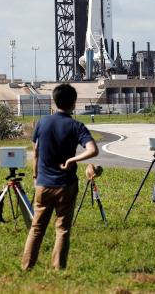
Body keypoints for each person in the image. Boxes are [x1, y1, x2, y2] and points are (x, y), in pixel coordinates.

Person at [21, 83, 98, 271]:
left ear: (54, 101)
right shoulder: (76, 126)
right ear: (73, 103)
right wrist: (73, 159)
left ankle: (27, 267)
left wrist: (35, 176)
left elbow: (36, 152)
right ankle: (58, 269)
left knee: (37, 228)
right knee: (62, 229)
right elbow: (92, 150)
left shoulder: (41, 123)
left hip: (43, 184)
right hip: (66, 185)